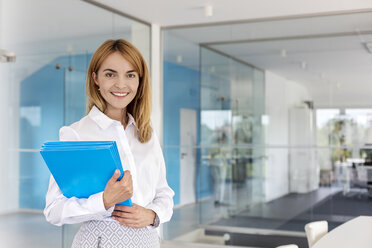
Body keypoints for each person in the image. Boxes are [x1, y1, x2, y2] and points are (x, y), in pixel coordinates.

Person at [44, 39, 174, 248]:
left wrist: (152, 215)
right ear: (95, 78)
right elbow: (54, 210)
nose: (121, 84)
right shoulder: (75, 134)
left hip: (148, 242)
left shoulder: (147, 134)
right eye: (110, 74)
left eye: (130, 75)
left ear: (140, 81)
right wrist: (104, 201)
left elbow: (164, 193)